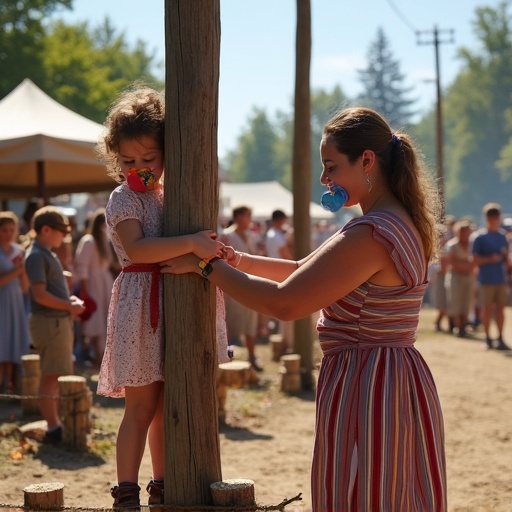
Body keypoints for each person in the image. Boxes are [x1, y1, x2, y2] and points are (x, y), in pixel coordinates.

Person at [162, 107, 447, 511]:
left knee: (362, 494)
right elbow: (302, 271)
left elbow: (287, 302)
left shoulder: (372, 232)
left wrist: (208, 266)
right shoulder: (399, 222)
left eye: (331, 166)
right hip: (395, 377)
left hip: (369, 383)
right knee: (395, 493)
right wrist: (236, 260)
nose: (324, 180)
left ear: (366, 160)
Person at [94, 84, 226, 509]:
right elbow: (138, 249)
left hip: (176, 300)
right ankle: (126, 490)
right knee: (141, 405)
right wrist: (190, 242)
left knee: (170, 403)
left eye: (148, 159)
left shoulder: (173, 194)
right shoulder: (122, 198)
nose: (138, 169)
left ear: (168, 154)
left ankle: (163, 484)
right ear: (114, 158)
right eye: (128, 161)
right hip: (141, 304)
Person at [24, 206, 86, 444]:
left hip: (56, 321)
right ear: (46, 229)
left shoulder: (45, 253)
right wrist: (68, 306)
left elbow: (49, 292)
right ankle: (53, 427)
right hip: (49, 322)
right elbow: (39, 295)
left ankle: (56, 423)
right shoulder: (38, 255)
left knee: (56, 374)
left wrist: (68, 301)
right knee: (51, 376)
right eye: (61, 231)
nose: (64, 237)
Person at [220, 205, 263, 371]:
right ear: (238, 217)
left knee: (250, 323)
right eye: (247, 215)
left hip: (249, 283)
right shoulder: (227, 235)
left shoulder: (250, 235)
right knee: (230, 324)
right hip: (232, 285)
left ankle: (252, 357)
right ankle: (226, 360)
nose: (249, 219)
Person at [74, 208, 115, 367]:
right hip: (92, 284)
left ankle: (101, 359)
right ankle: (92, 357)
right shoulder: (89, 240)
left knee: (105, 321)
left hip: (104, 283)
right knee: (94, 321)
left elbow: (108, 263)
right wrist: (85, 289)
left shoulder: (105, 240)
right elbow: (82, 266)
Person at [472, 203, 511, 350]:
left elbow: (506, 259)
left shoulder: (502, 237)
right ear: (487, 217)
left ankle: (500, 338)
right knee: (487, 309)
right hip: (486, 279)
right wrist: (489, 259)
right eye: (491, 216)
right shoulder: (480, 237)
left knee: (501, 309)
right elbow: (474, 260)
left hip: (500, 279)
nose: (494, 219)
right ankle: (487, 338)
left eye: (496, 216)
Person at [0, 211, 31, 394]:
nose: (9, 233)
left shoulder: (19, 251)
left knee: (14, 343)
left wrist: (23, 270)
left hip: (15, 300)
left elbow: (25, 286)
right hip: (1, 301)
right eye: (5, 230)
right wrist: (18, 269)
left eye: (12, 229)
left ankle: (10, 387)